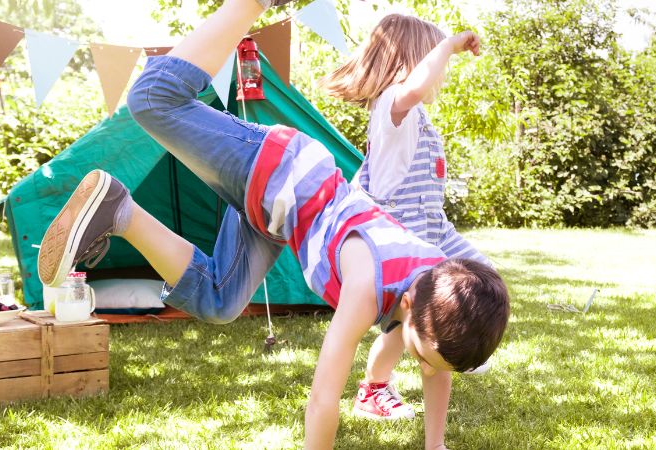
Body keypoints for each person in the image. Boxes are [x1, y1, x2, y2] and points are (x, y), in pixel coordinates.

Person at [35, 0, 510, 447]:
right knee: (153, 99)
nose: (424, 368)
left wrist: (437, 442)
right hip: (282, 171)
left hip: (275, 216)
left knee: (219, 300)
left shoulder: (437, 286)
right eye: (423, 357)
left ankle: (121, 210)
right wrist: (446, 46)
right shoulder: (368, 286)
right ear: (409, 301)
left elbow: (438, 370)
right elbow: (325, 395)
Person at [319, 14, 491, 420]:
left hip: (431, 230)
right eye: (437, 63)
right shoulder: (392, 108)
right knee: (403, 330)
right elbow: (414, 87)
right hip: (398, 241)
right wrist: (449, 44)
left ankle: (439, 352)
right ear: (411, 63)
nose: (443, 74)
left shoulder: (417, 120)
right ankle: (376, 386)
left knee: (485, 278)